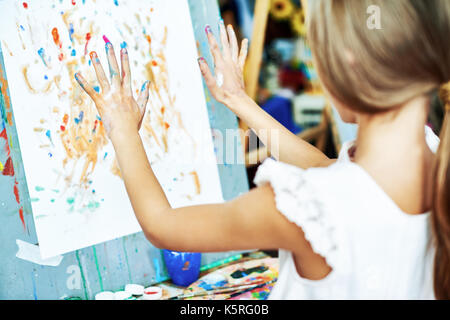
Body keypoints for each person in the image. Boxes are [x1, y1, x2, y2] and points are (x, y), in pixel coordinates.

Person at [75, 0, 450, 299]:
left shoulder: (302, 209)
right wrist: (240, 102)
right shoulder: (433, 155)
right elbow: (325, 166)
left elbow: (162, 226)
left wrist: (122, 129)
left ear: (348, 64)